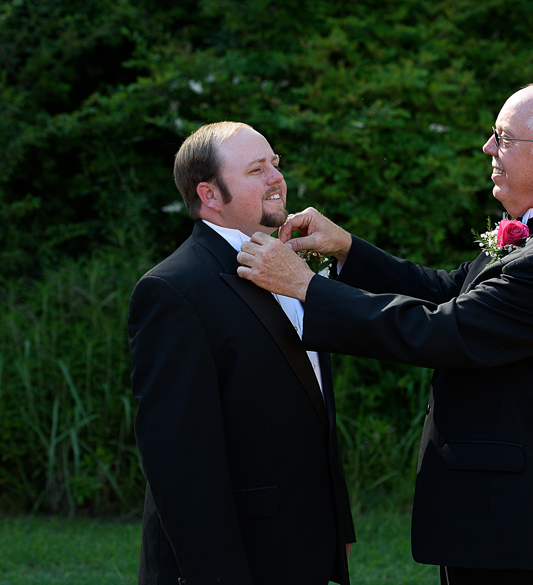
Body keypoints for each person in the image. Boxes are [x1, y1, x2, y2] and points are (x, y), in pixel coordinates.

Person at [236, 83, 533, 585]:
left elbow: (445, 331)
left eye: (503, 138)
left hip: (524, 529)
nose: (488, 148)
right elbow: (450, 292)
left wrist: (307, 289)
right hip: (506, 521)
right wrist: (348, 251)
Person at [127, 121, 355, 585]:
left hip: (302, 546)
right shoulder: (174, 290)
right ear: (210, 195)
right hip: (238, 559)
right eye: (256, 169)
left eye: (275, 163)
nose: (276, 177)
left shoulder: (289, 267)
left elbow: (312, 413)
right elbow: (180, 462)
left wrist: (336, 528)